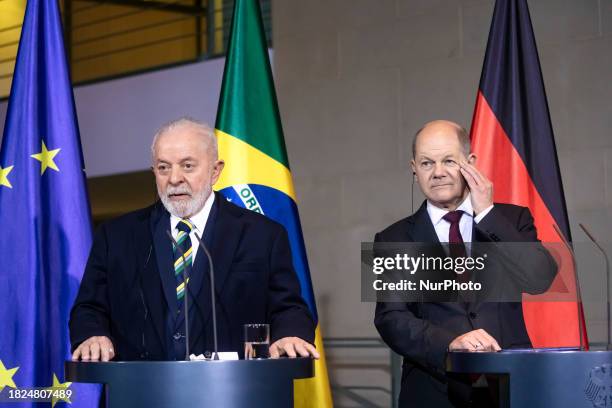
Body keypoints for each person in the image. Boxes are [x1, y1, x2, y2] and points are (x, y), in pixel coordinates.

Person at [70, 117, 319, 362]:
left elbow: (288, 307)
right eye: (163, 167)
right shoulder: (117, 236)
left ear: (215, 171)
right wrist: (92, 334)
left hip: (232, 393)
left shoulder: (262, 235)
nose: (174, 178)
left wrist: (289, 334)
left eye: (187, 166)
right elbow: (89, 308)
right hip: (143, 390)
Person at [374, 120, 556, 407]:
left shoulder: (512, 220)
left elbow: (540, 278)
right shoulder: (393, 238)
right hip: (434, 390)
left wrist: (487, 214)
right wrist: (450, 342)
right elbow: (391, 319)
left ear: (470, 163)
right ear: (414, 169)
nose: (438, 172)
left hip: (509, 385)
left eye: (449, 160)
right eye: (426, 163)